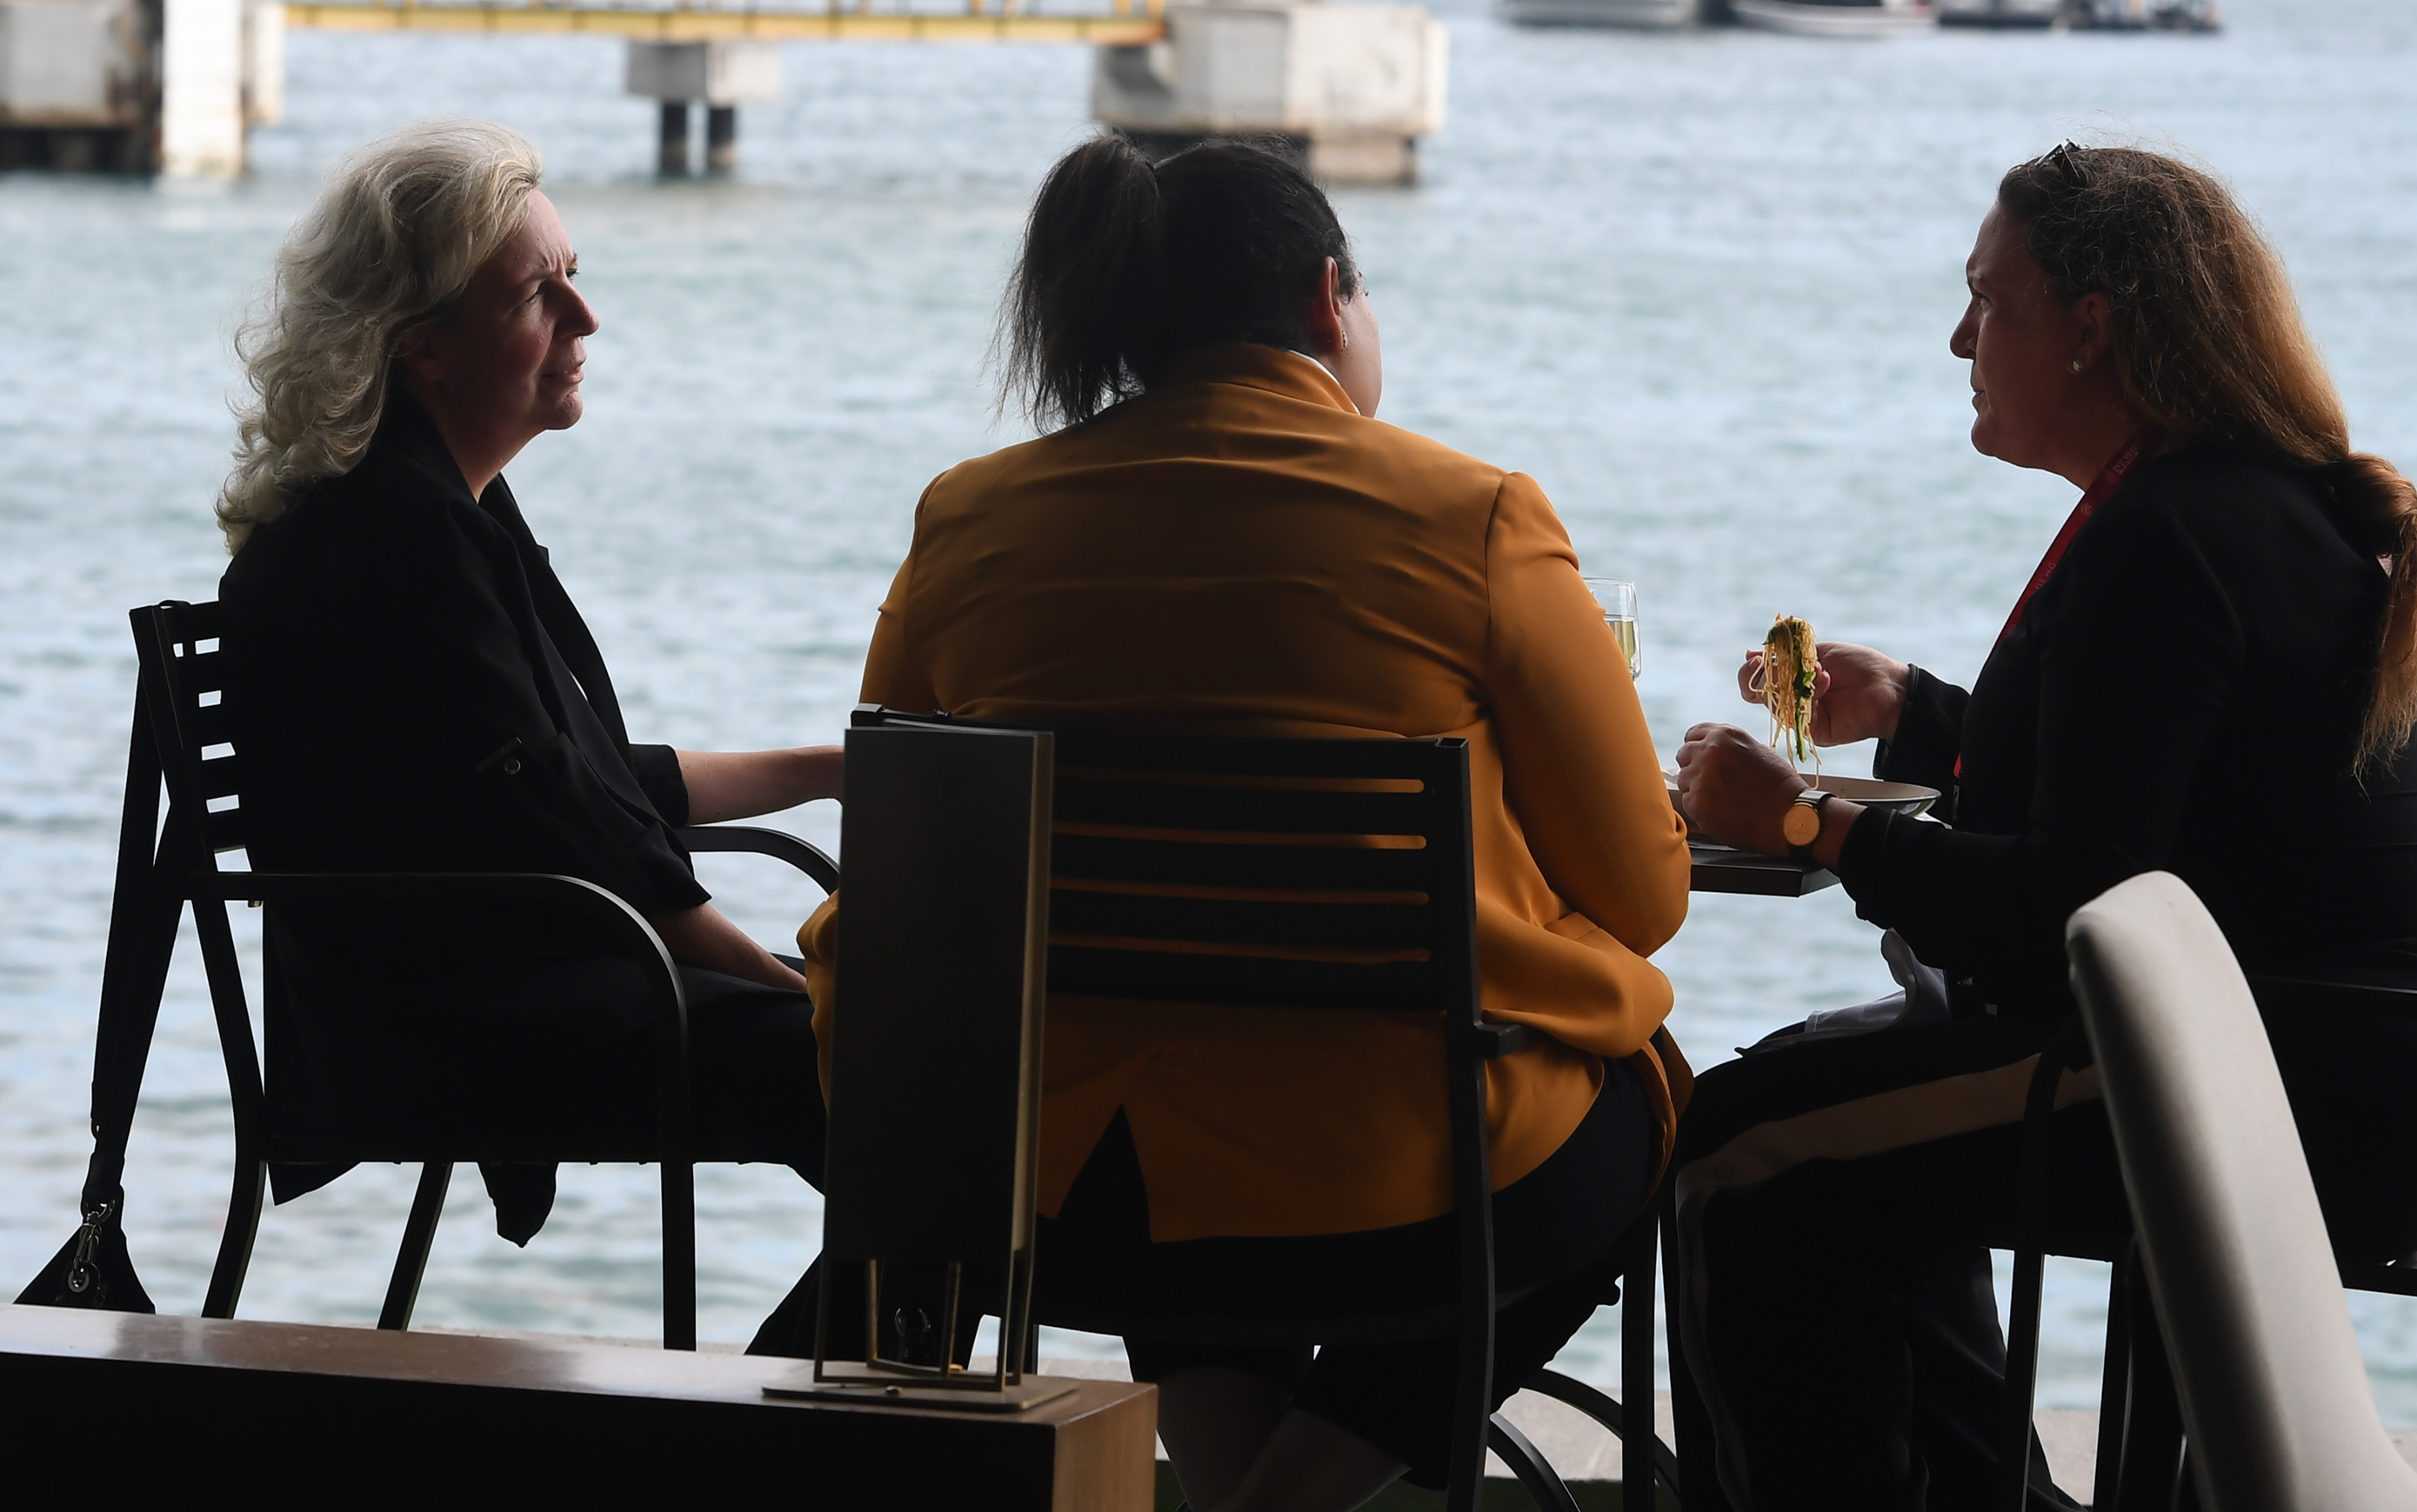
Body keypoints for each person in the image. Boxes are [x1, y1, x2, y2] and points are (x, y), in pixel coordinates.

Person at [849, 134, 1687, 1512]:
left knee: (1179, 1112)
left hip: (1065, 1196)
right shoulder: (1475, 516)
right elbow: (1645, 896)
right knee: (1630, 1117)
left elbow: (910, 837)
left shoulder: (970, 516)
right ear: (1326, 296)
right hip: (1405, 1194)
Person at [1668, 141, 2417, 1512]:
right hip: (2356, 1074)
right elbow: (2160, 797)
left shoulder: (2164, 538)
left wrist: (1810, 823)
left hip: (2258, 1089)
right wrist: (1924, 712)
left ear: (2088, 329)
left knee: (1743, 1150)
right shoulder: (2248, 501)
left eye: (1988, 300)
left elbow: (2071, 906)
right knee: (1852, 1109)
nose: (1958, 338)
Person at [214, 120, 845, 1347]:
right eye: (536, 293)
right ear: (426, 349)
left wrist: (827, 770)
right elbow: (558, 811)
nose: (586, 317)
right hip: (451, 1023)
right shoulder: (399, 535)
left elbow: (578, 778)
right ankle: (781, 1448)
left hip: (492, 980)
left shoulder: (431, 511)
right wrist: (771, 975)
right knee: (905, 1101)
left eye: (575, 272)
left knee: (914, 1102)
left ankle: (792, 1434)